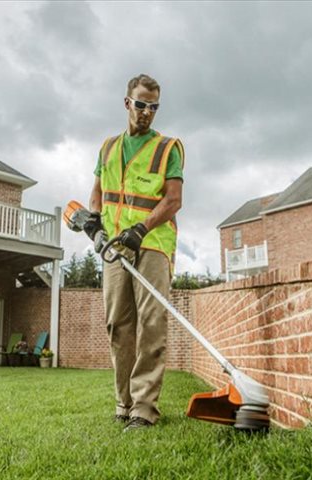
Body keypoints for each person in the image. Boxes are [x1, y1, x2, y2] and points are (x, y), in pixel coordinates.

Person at [85, 74, 184, 431]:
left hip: (152, 244)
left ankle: (144, 408)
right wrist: (94, 225)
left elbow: (174, 200)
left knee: (151, 324)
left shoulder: (168, 147)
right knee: (118, 325)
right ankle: (123, 402)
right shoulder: (109, 147)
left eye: (153, 107)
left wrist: (141, 229)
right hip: (114, 246)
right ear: (127, 103)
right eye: (141, 104)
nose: (146, 112)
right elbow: (97, 193)